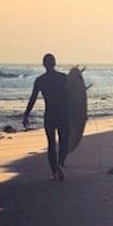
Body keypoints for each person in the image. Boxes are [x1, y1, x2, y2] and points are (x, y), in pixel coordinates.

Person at [23, 53, 70, 181]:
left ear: (44, 64)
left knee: (51, 144)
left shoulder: (40, 80)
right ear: (55, 63)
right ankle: (60, 163)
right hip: (63, 114)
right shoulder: (63, 78)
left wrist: (26, 114)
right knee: (64, 141)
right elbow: (73, 97)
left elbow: (33, 98)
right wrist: (80, 114)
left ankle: (54, 172)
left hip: (50, 114)